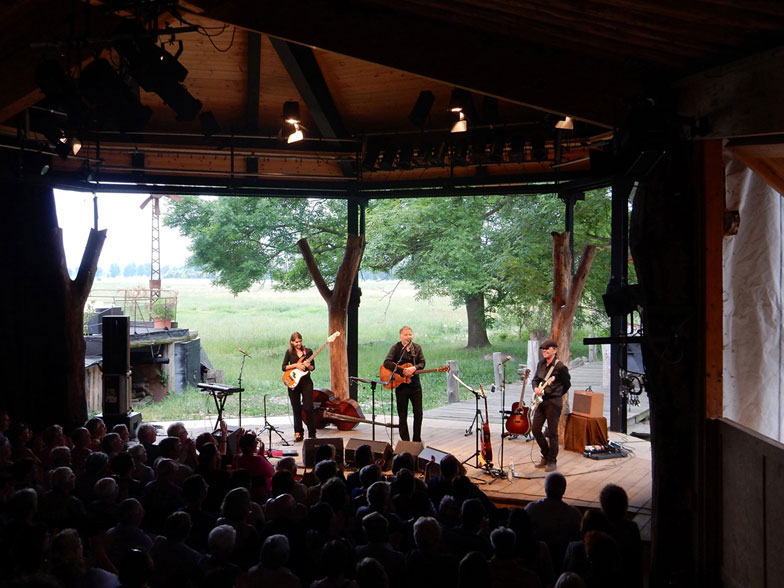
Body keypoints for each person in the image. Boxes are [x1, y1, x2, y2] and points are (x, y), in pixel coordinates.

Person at [531, 338, 571, 472]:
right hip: (541, 401)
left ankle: (552, 461)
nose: (544, 351)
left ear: (554, 350)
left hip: (553, 402)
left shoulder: (560, 367)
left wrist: (555, 393)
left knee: (552, 432)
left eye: (547, 349)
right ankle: (546, 454)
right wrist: (536, 388)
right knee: (535, 429)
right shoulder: (541, 364)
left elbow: (567, 384)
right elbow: (535, 379)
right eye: (543, 349)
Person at [383, 326, 425, 442]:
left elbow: (422, 363)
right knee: (402, 415)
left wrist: (414, 368)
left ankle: (417, 440)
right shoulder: (396, 348)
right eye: (406, 335)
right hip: (401, 386)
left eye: (410, 334)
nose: (408, 337)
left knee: (418, 413)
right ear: (400, 336)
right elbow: (386, 362)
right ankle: (405, 441)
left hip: (415, 385)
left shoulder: (416, 348)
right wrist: (402, 371)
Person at [282, 332, 316, 442]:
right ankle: (298, 433)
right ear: (292, 342)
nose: (299, 343)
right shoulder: (289, 352)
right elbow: (284, 367)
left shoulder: (308, 352)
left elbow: (313, 367)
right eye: (296, 342)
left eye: (300, 341)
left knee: (308, 407)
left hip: (306, 382)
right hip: (293, 383)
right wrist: (296, 365)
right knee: (296, 408)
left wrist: (308, 366)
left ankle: (312, 432)